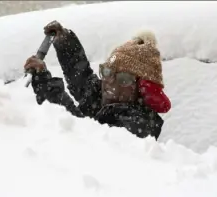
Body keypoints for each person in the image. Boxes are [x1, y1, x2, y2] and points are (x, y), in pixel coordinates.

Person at [24, 20, 171, 140]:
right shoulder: (105, 98)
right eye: (107, 71)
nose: (109, 82)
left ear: (141, 89)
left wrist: (47, 84)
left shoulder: (140, 125)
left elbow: (84, 139)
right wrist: (65, 43)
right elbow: (81, 78)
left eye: (123, 79)